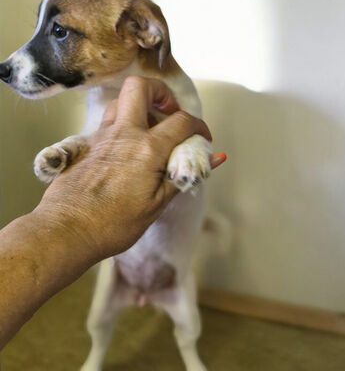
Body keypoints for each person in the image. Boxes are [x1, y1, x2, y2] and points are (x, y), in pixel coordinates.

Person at [0, 76, 226, 349]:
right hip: (122, 268)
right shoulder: (102, 98)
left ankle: (192, 358)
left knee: (188, 329)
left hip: (170, 269)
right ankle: (94, 357)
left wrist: (62, 219)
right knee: (97, 325)